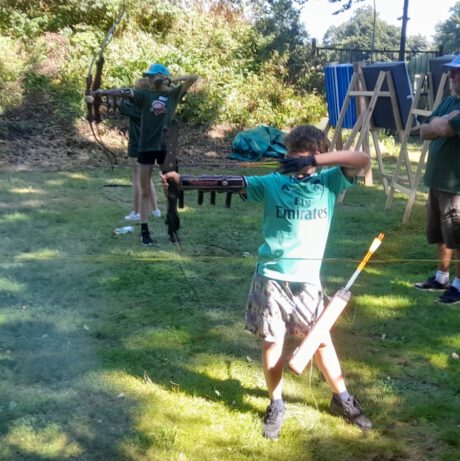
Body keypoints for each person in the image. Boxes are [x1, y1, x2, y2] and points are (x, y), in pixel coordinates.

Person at [162, 125, 373, 440]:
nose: (296, 163)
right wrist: (183, 182)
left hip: (307, 282)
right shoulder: (273, 183)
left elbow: (361, 157)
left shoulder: (330, 182)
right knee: (272, 341)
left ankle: (341, 398)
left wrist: (319, 161)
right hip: (271, 278)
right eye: (292, 156)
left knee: (321, 340)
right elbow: (231, 183)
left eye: (304, 158)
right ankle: (276, 402)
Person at [411, 51, 460, 305]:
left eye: (457, 72)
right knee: (440, 233)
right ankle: (441, 277)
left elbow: (443, 128)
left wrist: (442, 124)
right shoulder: (449, 102)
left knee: (458, 235)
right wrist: (441, 121)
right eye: (451, 72)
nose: (452, 76)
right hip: (438, 179)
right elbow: (424, 131)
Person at [130, 63, 197, 245]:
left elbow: (194, 77)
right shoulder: (145, 95)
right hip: (146, 147)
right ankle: (144, 232)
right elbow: (125, 93)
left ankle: (172, 229)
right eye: (150, 77)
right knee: (145, 190)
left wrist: (170, 79)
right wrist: (94, 96)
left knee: (172, 190)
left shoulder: (173, 95)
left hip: (166, 147)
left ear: (163, 77)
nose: (151, 79)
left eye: (154, 76)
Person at [120, 77, 161, 223]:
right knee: (147, 178)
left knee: (137, 179)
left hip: (136, 145)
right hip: (149, 145)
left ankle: (136, 212)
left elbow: (118, 104)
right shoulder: (153, 104)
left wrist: (94, 99)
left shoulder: (135, 106)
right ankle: (156, 210)